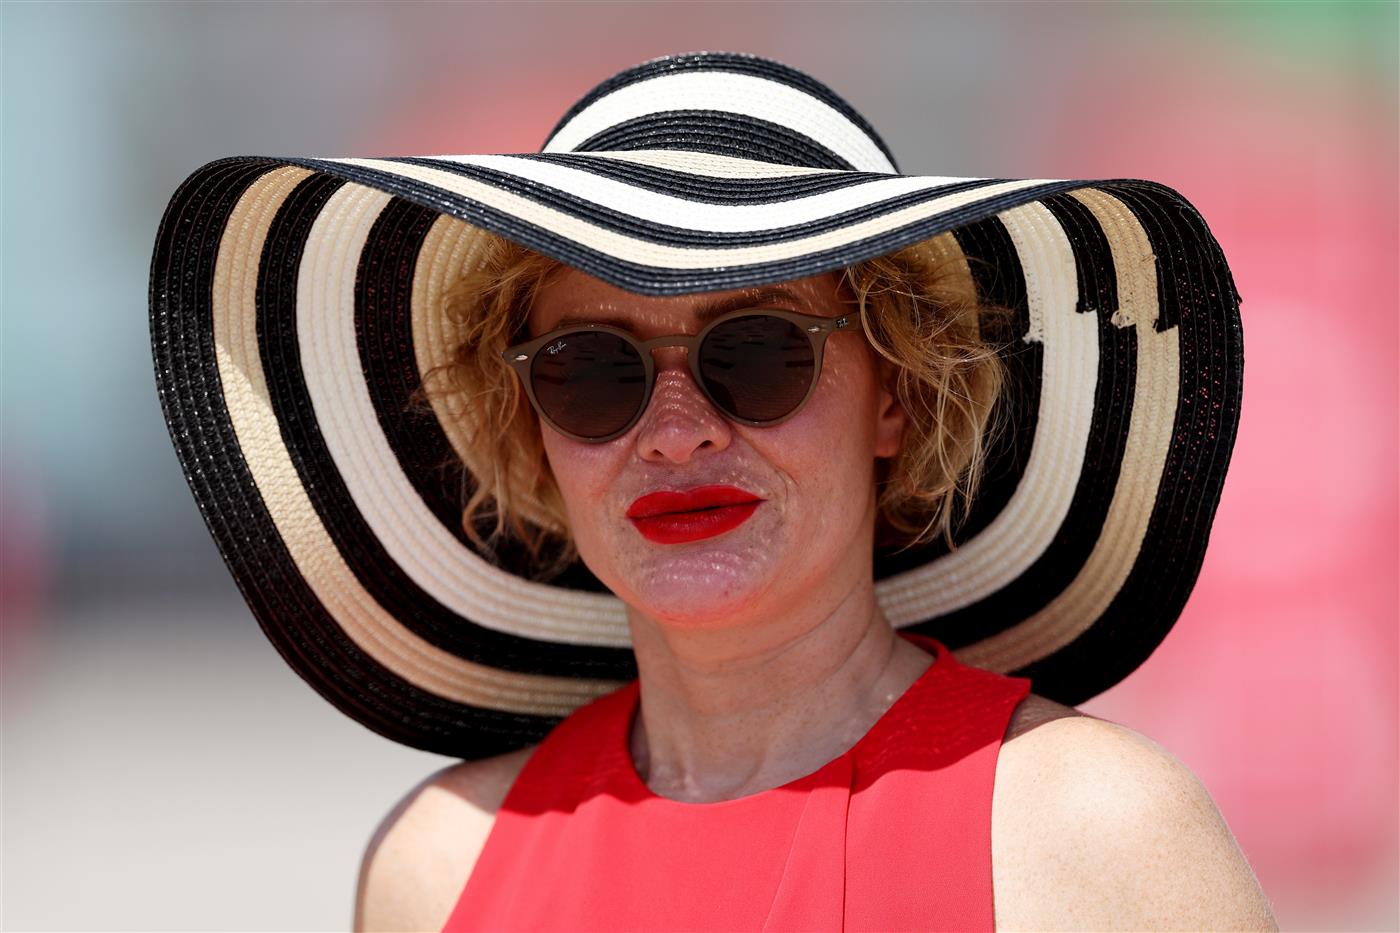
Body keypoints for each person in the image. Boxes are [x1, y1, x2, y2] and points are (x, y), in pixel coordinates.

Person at [148, 52, 1277, 930]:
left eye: (758, 353)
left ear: (894, 394)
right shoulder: (438, 869)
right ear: (534, 428)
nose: (677, 431)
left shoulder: (1089, 835)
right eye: (594, 372)